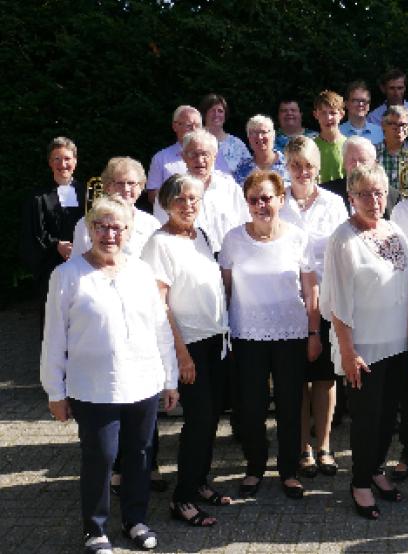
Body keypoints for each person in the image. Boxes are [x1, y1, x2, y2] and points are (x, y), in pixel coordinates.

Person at [41, 195, 178, 553]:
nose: (109, 234)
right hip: (93, 387)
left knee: (140, 454)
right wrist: (55, 391)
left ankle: (135, 520)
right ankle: (96, 529)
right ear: (89, 230)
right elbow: (53, 337)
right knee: (100, 456)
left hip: (144, 381)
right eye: (100, 226)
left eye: (117, 227)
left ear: (128, 231)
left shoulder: (141, 271)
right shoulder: (67, 275)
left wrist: (170, 379)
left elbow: (161, 327)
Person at [219, 170, 320, 500]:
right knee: (251, 407)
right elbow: (225, 290)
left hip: (291, 333)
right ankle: (254, 467)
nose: (261, 205)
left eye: (267, 198)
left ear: (281, 199)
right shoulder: (233, 239)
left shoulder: (297, 237)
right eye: (254, 199)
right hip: (247, 335)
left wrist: (314, 332)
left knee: (291, 405)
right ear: (246, 203)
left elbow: (311, 290)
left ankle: (289, 471)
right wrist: (226, 333)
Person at [320, 163, 408, 520]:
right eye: (365, 194)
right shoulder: (342, 239)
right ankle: (359, 482)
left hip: (398, 343)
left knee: (388, 415)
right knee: (366, 418)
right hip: (364, 348)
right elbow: (337, 302)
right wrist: (348, 352)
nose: (374, 200)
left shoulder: (394, 230)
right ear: (351, 197)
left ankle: (375, 470)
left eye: (379, 193)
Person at [143, 174, 231, 527]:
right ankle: (181, 499)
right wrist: (181, 354)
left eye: (193, 198)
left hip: (215, 341)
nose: (188, 204)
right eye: (180, 199)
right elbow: (160, 305)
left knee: (211, 417)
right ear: (166, 203)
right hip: (189, 345)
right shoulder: (159, 243)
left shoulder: (201, 236)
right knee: (199, 420)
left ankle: (199, 482)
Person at [280, 137, 349, 481]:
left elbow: (344, 251)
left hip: (325, 302)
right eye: (295, 165)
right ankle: (302, 447)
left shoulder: (334, 203)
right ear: (286, 167)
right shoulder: (277, 203)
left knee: (324, 377)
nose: (302, 171)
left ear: (318, 167)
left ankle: (324, 445)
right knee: (296, 380)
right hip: (287, 303)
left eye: (308, 165)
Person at [152, 129, 250, 253]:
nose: (199, 160)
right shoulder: (170, 191)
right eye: (193, 154)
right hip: (188, 258)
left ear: (215, 156)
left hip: (229, 258)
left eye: (205, 154)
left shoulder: (231, 189)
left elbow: (246, 225)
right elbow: (162, 232)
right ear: (183, 157)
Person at [21, 137, 85, 320]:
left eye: (67, 159)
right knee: (53, 317)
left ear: (75, 161)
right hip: (52, 267)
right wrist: (56, 245)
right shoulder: (38, 198)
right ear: (50, 163)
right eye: (57, 159)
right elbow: (33, 235)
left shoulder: (87, 193)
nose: (62, 164)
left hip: (84, 262)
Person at [73, 157, 161, 261]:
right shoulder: (87, 223)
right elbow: (76, 262)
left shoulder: (152, 224)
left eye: (131, 183)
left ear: (140, 187)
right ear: (108, 187)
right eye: (120, 183)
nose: (126, 189)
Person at [322, 137, 401, 219]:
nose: (357, 165)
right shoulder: (327, 194)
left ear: (375, 163)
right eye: (352, 160)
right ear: (344, 163)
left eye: (362, 160)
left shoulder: (393, 197)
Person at [146, 105, 200, 204]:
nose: (194, 129)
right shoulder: (161, 158)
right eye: (189, 125)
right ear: (175, 126)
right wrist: (178, 202)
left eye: (197, 125)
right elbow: (152, 195)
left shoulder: (209, 157)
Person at [200, 93, 251, 173]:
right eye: (212, 110)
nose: (216, 114)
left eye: (220, 111)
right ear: (204, 113)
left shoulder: (237, 145)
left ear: (225, 115)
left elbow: (249, 171)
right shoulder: (195, 141)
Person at [232, 114, 290, 185]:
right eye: (254, 133)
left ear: (273, 135)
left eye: (263, 132)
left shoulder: (289, 164)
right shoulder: (242, 168)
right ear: (248, 138)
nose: (259, 137)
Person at [376, 105, 408, 199]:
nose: (400, 130)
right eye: (394, 124)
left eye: (403, 125)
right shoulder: (372, 153)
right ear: (383, 125)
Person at [313, 90, 347, 183]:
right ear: (316, 115)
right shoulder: (312, 147)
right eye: (323, 113)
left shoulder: (349, 145)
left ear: (341, 114)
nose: (328, 118)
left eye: (333, 113)